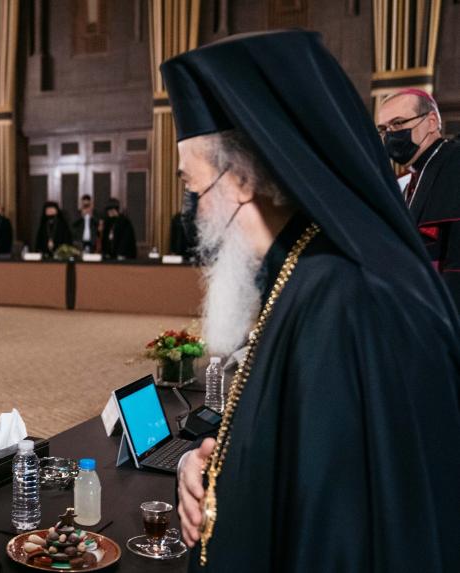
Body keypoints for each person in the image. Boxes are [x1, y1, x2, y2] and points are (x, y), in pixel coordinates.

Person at [161, 30, 460, 572]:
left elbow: (341, 539)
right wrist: (206, 468)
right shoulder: (303, 272)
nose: (193, 214)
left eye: (193, 186)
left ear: (242, 179)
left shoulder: (346, 304)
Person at [376, 89, 460, 311]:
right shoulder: (411, 179)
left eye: (398, 123)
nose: (390, 135)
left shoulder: (454, 164)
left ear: (431, 122)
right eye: (383, 129)